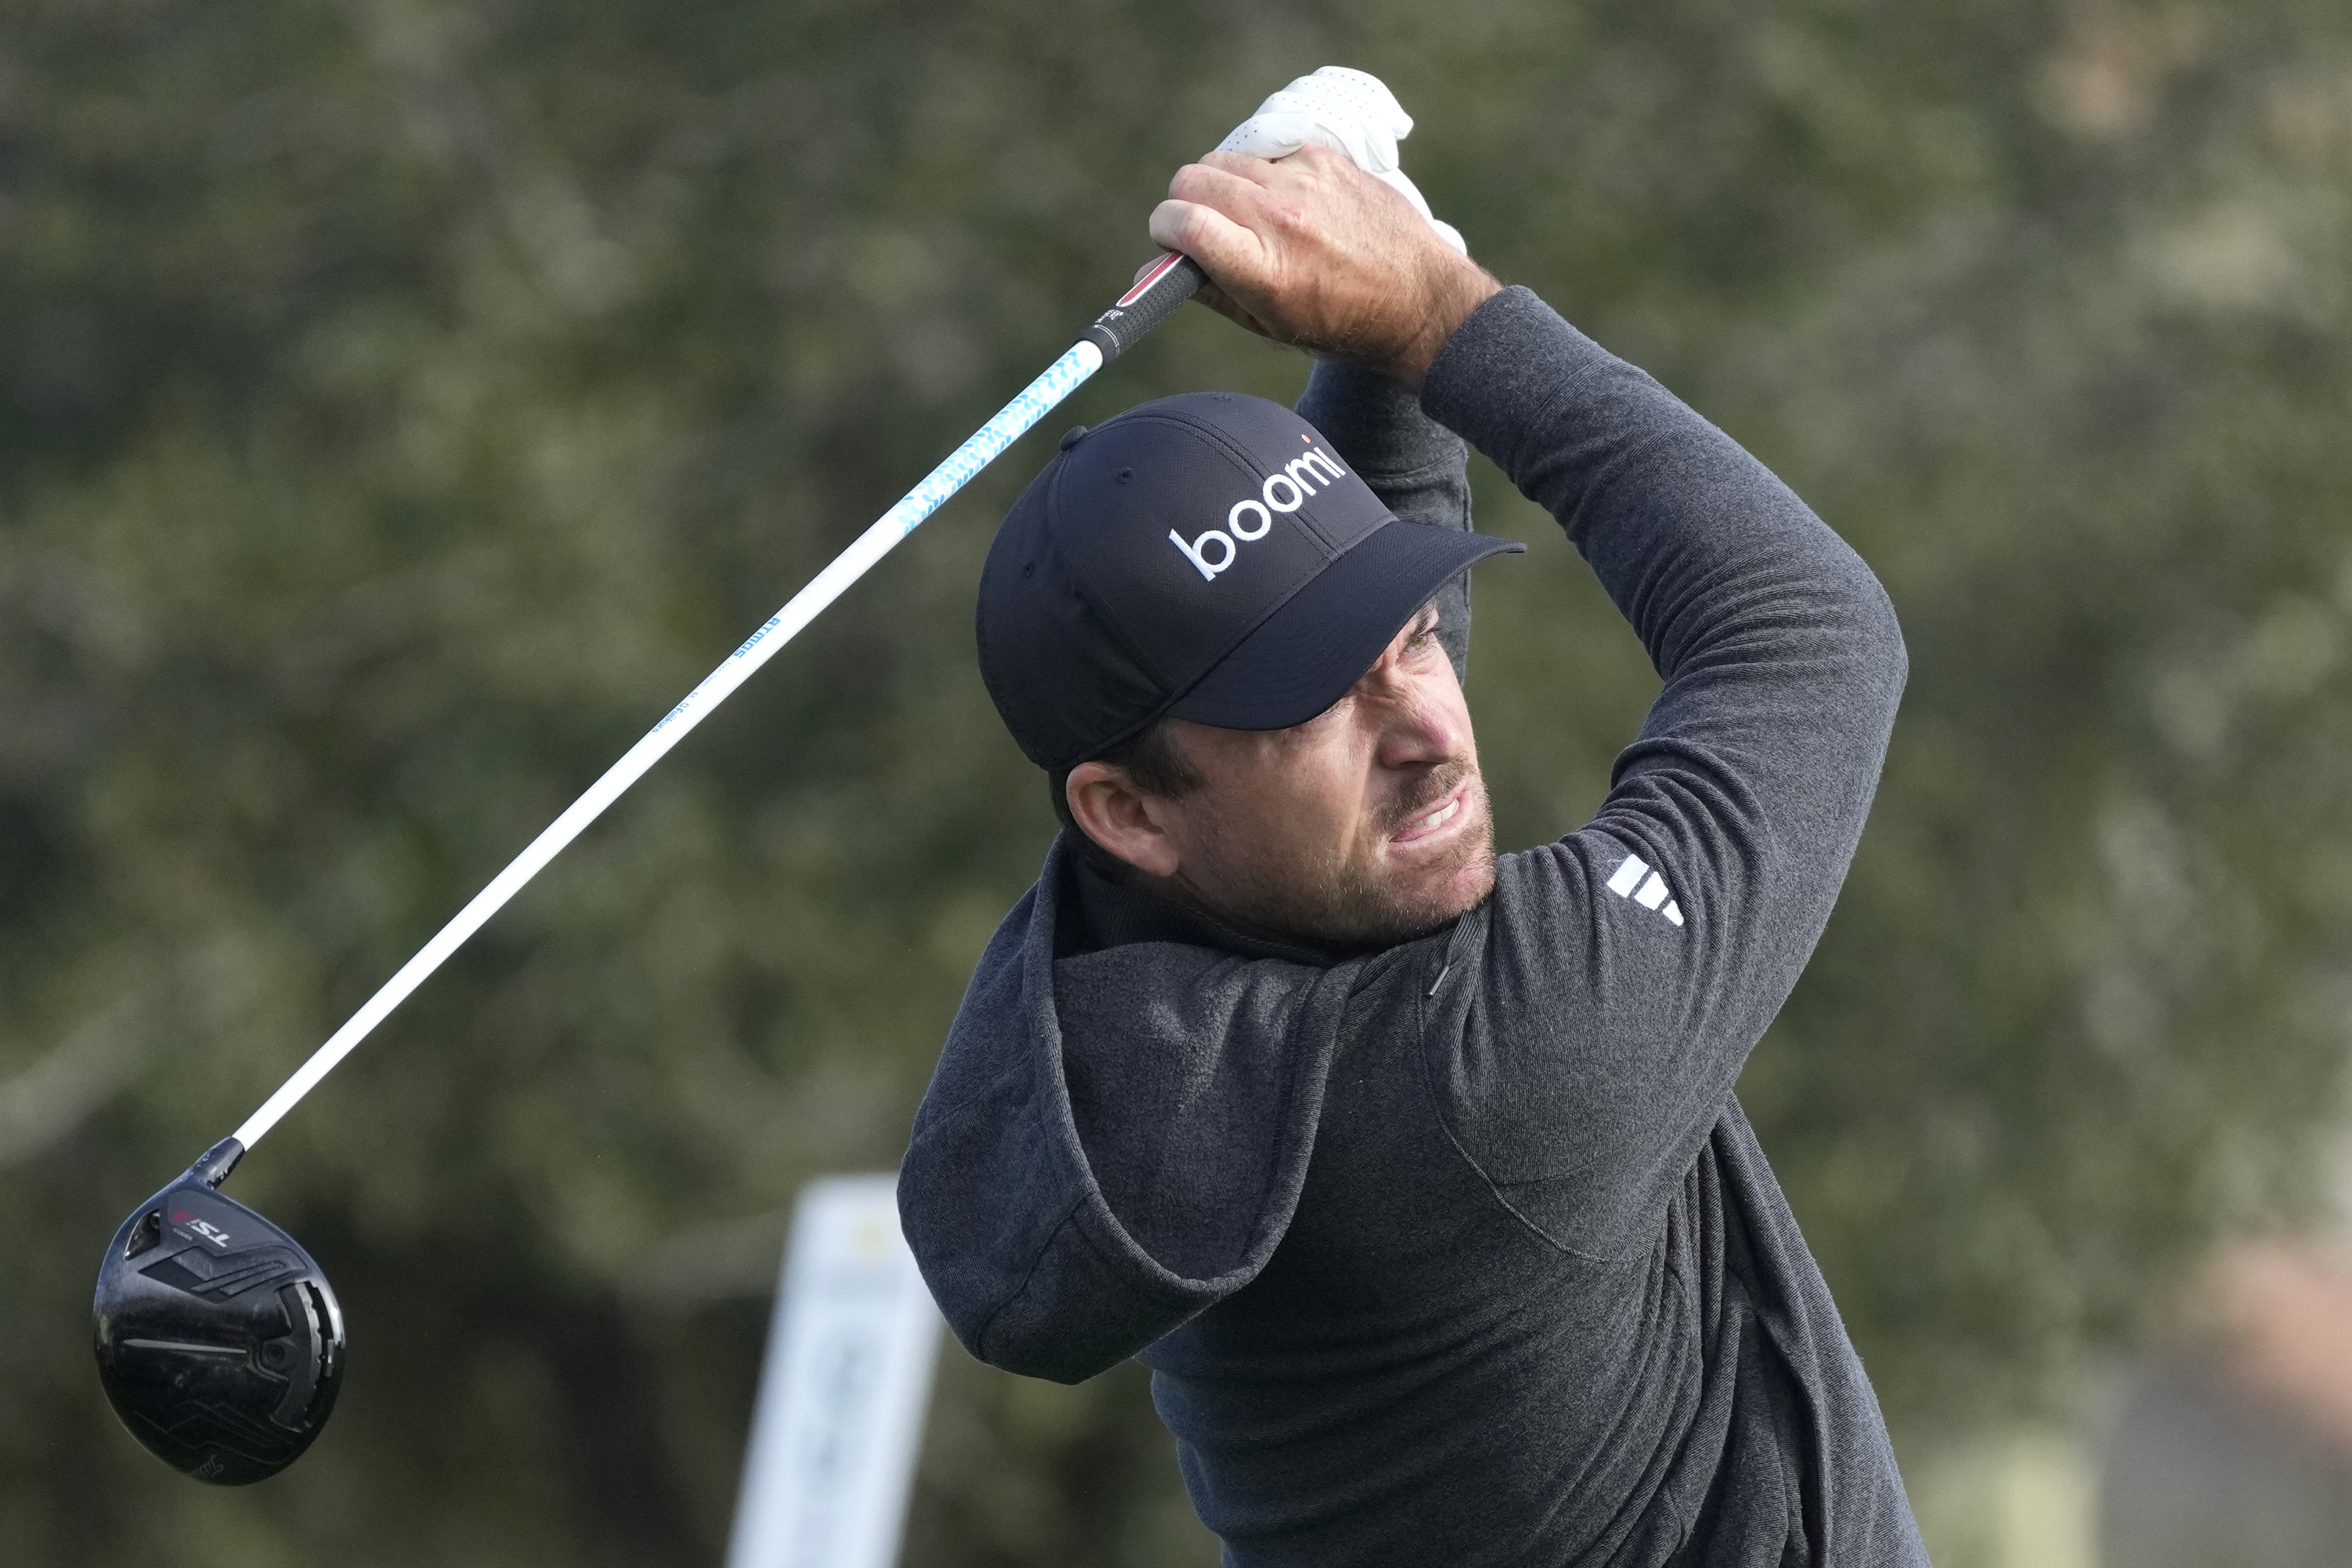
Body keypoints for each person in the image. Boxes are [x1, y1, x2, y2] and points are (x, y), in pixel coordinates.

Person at [896, 113, 1925, 1567]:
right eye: (1313, 698)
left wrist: (1379, 283)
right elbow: (1812, 639)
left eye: (1408, 634)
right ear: (1126, 809)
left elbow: (1386, 528)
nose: (1427, 724)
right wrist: (1440, 308)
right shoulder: (1488, 1082)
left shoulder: (1138, 1025)